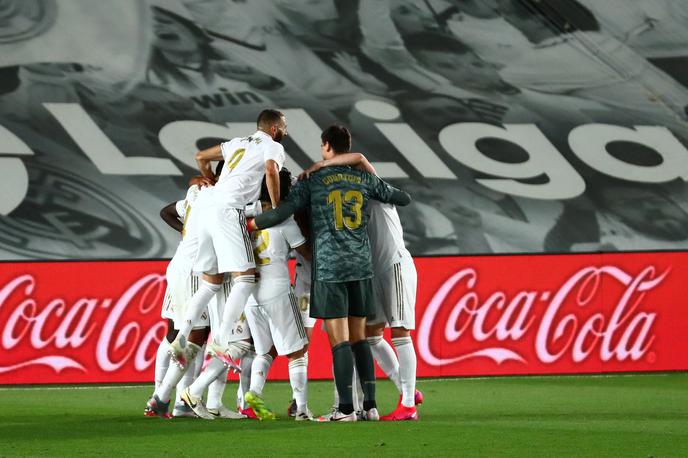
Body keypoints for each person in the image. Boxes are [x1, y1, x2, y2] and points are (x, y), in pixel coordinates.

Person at [249, 125, 411, 422]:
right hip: (362, 268)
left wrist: (252, 224)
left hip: (330, 270)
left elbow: (280, 214)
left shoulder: (313, 181)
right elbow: (403, 198)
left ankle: (346, 409)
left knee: (340, 342)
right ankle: (371, 407)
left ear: (326, 146)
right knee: (361, 339)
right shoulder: (363, 178)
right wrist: (365, 172)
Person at [302, 151, 423, 421]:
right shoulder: (351, 199)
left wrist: (322, 164)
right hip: (371, 271)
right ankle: (403, 390)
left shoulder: (374, 185)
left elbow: (359, 157)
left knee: (401, 332)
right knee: (370, 336)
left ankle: (408, 404)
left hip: (395, 265)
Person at [168, 109, 285, 376]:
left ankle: (181, 338)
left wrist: (207, 176)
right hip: (227, 210)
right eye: (285, 127)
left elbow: (200, 156)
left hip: (204, 208)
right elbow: (270, 169)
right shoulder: (273, 147)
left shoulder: (236, 143)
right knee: (245, 278)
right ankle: (220, 342)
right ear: (275, 129)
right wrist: (276, 205)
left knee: (212, 282)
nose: (285, 132)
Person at [240, 169, 313, 421]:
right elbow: (305, 252)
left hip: (249, 292)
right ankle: (302, 409)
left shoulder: (245, 214)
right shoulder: (284, 219)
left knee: (264, 351)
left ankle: (253, 394)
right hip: (277, 288)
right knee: (298, 350)